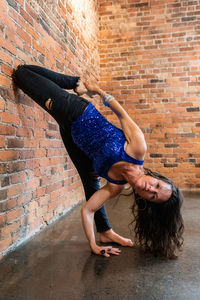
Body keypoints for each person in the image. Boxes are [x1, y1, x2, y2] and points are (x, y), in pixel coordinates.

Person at [12, 65, 184, 258]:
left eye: (153, 196)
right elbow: (121, 113)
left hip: (72, 136)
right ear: (156, 177)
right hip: (78, 112)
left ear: (146, 201)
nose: (151, 189)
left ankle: (104, 232)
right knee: (21, 74)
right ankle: (74, 82)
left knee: (90, 181)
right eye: (157, 186)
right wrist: (94, 89)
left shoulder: (116, 186)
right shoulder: (137, 149)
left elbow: (87, 210)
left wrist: (93, 245)